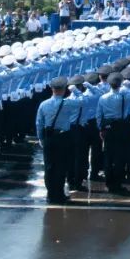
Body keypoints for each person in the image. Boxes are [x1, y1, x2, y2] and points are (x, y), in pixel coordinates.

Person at [36, 77, 77, 205]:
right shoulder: (69, 103)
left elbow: (39, 123)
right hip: (63, 137)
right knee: (61, 166)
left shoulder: (43, 104)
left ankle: (50, 194)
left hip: (49, 137)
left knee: (49, 167)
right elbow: (83, 102)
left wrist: (41, 139)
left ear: (52, 89)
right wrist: (75, 91)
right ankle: (59, 193)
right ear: (64, 89)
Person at [96, 72, 128, 193]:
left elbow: (99, 115)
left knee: (108, 155)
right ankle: (118, 183)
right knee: (119, 156)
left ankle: (108, 182)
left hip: (107, 128)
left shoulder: (103, 98)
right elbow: (125, 113)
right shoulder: (124, 97)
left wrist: (100, 129)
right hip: (120, 127)